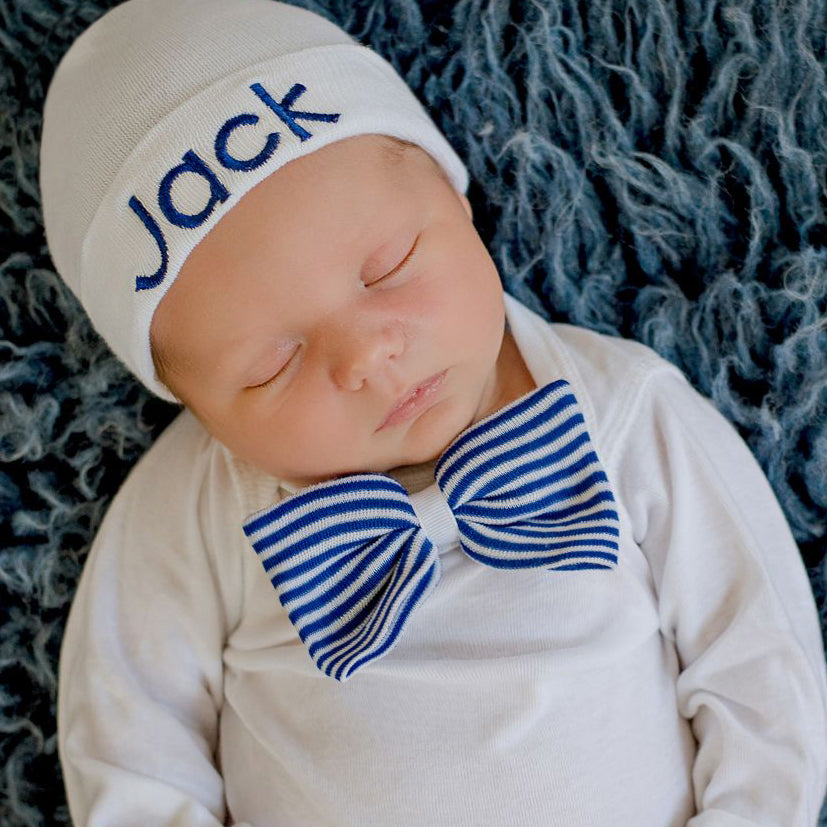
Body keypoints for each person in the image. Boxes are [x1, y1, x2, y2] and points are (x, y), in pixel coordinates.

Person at [38, 0, 827, 824]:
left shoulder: (623, 411)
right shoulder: (195, 505)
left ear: (454, 199)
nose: (366, 356)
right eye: (273, 364)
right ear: (200, 408)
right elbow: (129, 740)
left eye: (388, 266)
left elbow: (760, 657)